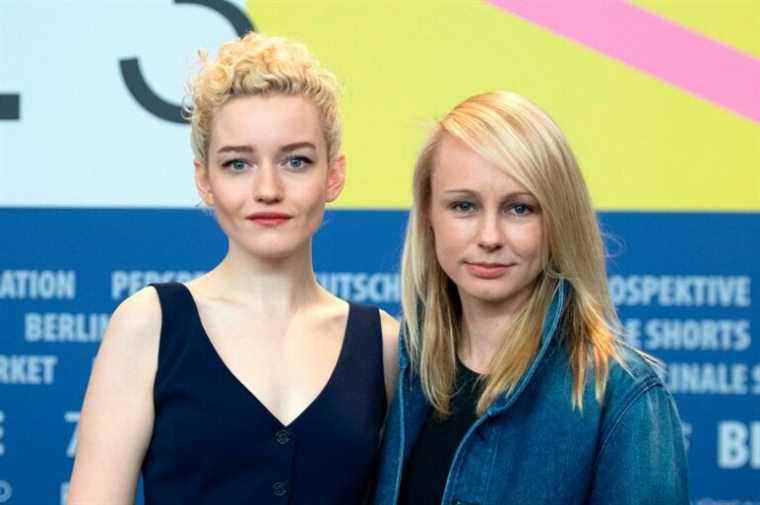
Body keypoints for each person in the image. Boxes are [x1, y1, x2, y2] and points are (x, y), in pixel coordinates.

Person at [68, 32, 399, 505]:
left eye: (296, 161)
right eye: (238, 164)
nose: (267, 188)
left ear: (334, 175)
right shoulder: (150, 324)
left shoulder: (382, 344)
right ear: (205, 179)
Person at [372, 91, 689, 505]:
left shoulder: (619, 396)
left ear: (558, 219)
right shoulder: (398, 374)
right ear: (429, 217)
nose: (489, 237)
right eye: (464, 206)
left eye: (519, 209)